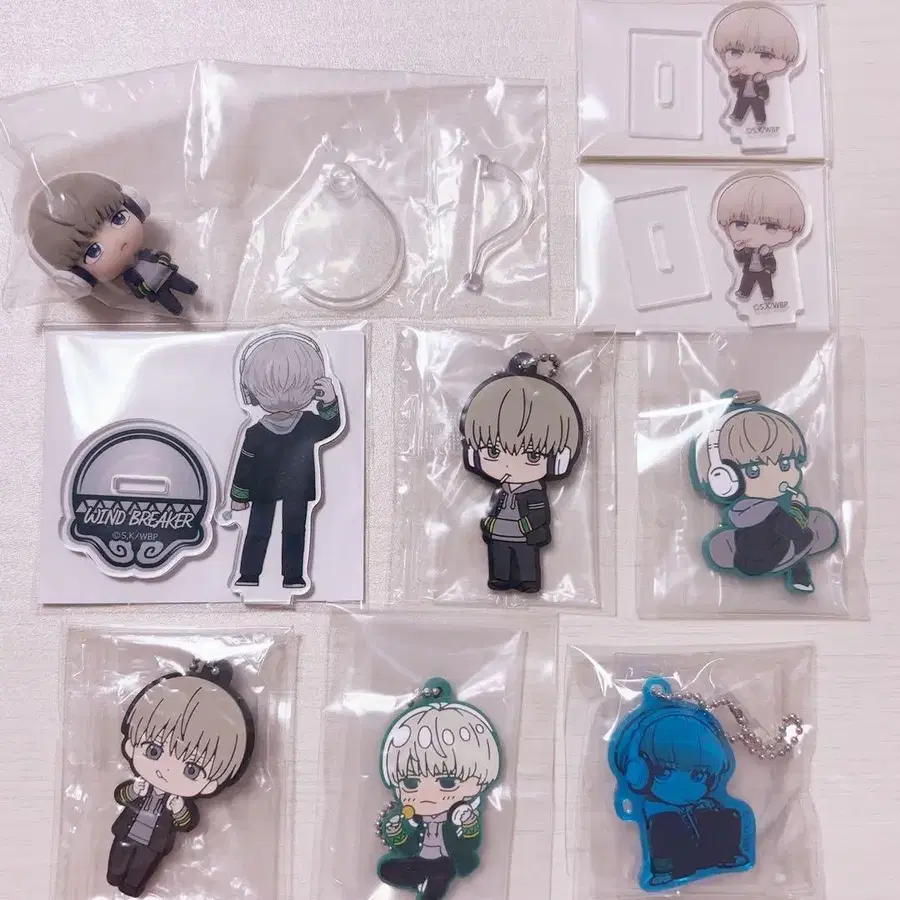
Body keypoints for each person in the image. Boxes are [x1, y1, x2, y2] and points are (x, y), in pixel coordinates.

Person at [108, 660, 253, 897]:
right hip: (125, 832)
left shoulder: (178, 802)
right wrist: (134, 791)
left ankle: (131, 886)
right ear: (131, 745)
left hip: (154, 844)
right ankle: (115, 876)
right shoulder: (140, 786)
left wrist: (178, 810)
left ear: (210, 784)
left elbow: (185, 823)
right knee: (117, 863)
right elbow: (121, 795)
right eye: (153, 750)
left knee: (138, 871)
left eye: (192, 770)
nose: (166, 770)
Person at [229, 331, 343, 590]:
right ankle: (268, 575)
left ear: (250, 391)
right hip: (288, 489)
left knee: (275, 531)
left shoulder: (259, 431)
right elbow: (244, 466)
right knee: (282, 531)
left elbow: (244, 468)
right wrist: (238, 495)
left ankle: (262, 575)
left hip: (277, 489)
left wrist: (239, 496)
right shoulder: (305, 425)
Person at [460, 353, 583, 593]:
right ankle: (500, 578)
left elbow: (540, 515)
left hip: (525, 536)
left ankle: (528, 581)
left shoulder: (535, 492)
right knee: (500, 559)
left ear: (558, 461)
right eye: (493, 451)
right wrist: (490, 524)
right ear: (473, 454)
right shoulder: (501, 492)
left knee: (526, 562)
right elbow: (492, 510)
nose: (509, 465)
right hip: (499, 535)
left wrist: (524, 526)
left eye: (533, 455)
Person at [692, 394, 838, 594]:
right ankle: (799, 575)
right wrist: (798, 507)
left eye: (785, 464)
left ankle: (795, 572)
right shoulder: (772, 509)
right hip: (776, 557)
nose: (777, 477)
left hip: (747, 559)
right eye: (754, 470)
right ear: (725, 479)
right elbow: (795, 530)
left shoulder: (740, 510)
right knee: (814, 526)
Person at [378, 678, 501, 900]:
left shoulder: (461, 815)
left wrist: (468, 825)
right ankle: (425, 877)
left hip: (448, 861)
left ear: (478, 781)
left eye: (447, 782)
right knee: (389, 868)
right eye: (411, 783)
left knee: (440, 875)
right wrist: (398, 830)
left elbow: (469, 843)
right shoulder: (412, 817)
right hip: (419, 861)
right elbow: (405, 845)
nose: (427, 794)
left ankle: (432, 882)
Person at [612, 702, 751, 889]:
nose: (684, 786)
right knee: (665, 824)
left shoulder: (706, 803)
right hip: (676, 854)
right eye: (664, 773)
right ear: (640, 774)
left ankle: (725, 856)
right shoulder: (656, 812)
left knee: (730, 816)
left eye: (698, 775)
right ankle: (666, 870)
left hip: (704, 849)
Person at [28, 171, 196, 314]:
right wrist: (145, 290)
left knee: (185, 285)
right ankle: (177, 308)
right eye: (93, 251)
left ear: (134, 205)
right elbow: (137, 290)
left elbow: (161, 257)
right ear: (78, 278)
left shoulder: (146, 255)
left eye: (118, 218)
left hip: (169, 275)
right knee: (171, 304)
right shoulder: (130, 276)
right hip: (156, 290)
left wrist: (163, 261)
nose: (117, 241)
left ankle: (190, 288)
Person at [715, 174, 806, 304]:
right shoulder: (747, 249)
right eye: (741, 224)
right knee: (747, 281)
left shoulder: (767, 251)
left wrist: (769, 268)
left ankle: (768, 295)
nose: (754, 234)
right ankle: (743, 292)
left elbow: (771, 261)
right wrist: (738, 250)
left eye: (771, 226)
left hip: (764, 271)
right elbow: (741, 260)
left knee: (766, 284)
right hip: (749, 270)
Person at [711, 5, 801, 126]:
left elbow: (765, 91)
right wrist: (733, 76)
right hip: (743, 95)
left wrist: (760, 86)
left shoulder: (761, 79)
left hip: (757, 97)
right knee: (741, 105)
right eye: (736, 52)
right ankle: (737, 116)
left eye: (765, 55)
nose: (748, 62)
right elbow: (735, 84)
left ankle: (760, 119)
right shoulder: (743, 76)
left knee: (759, 109)